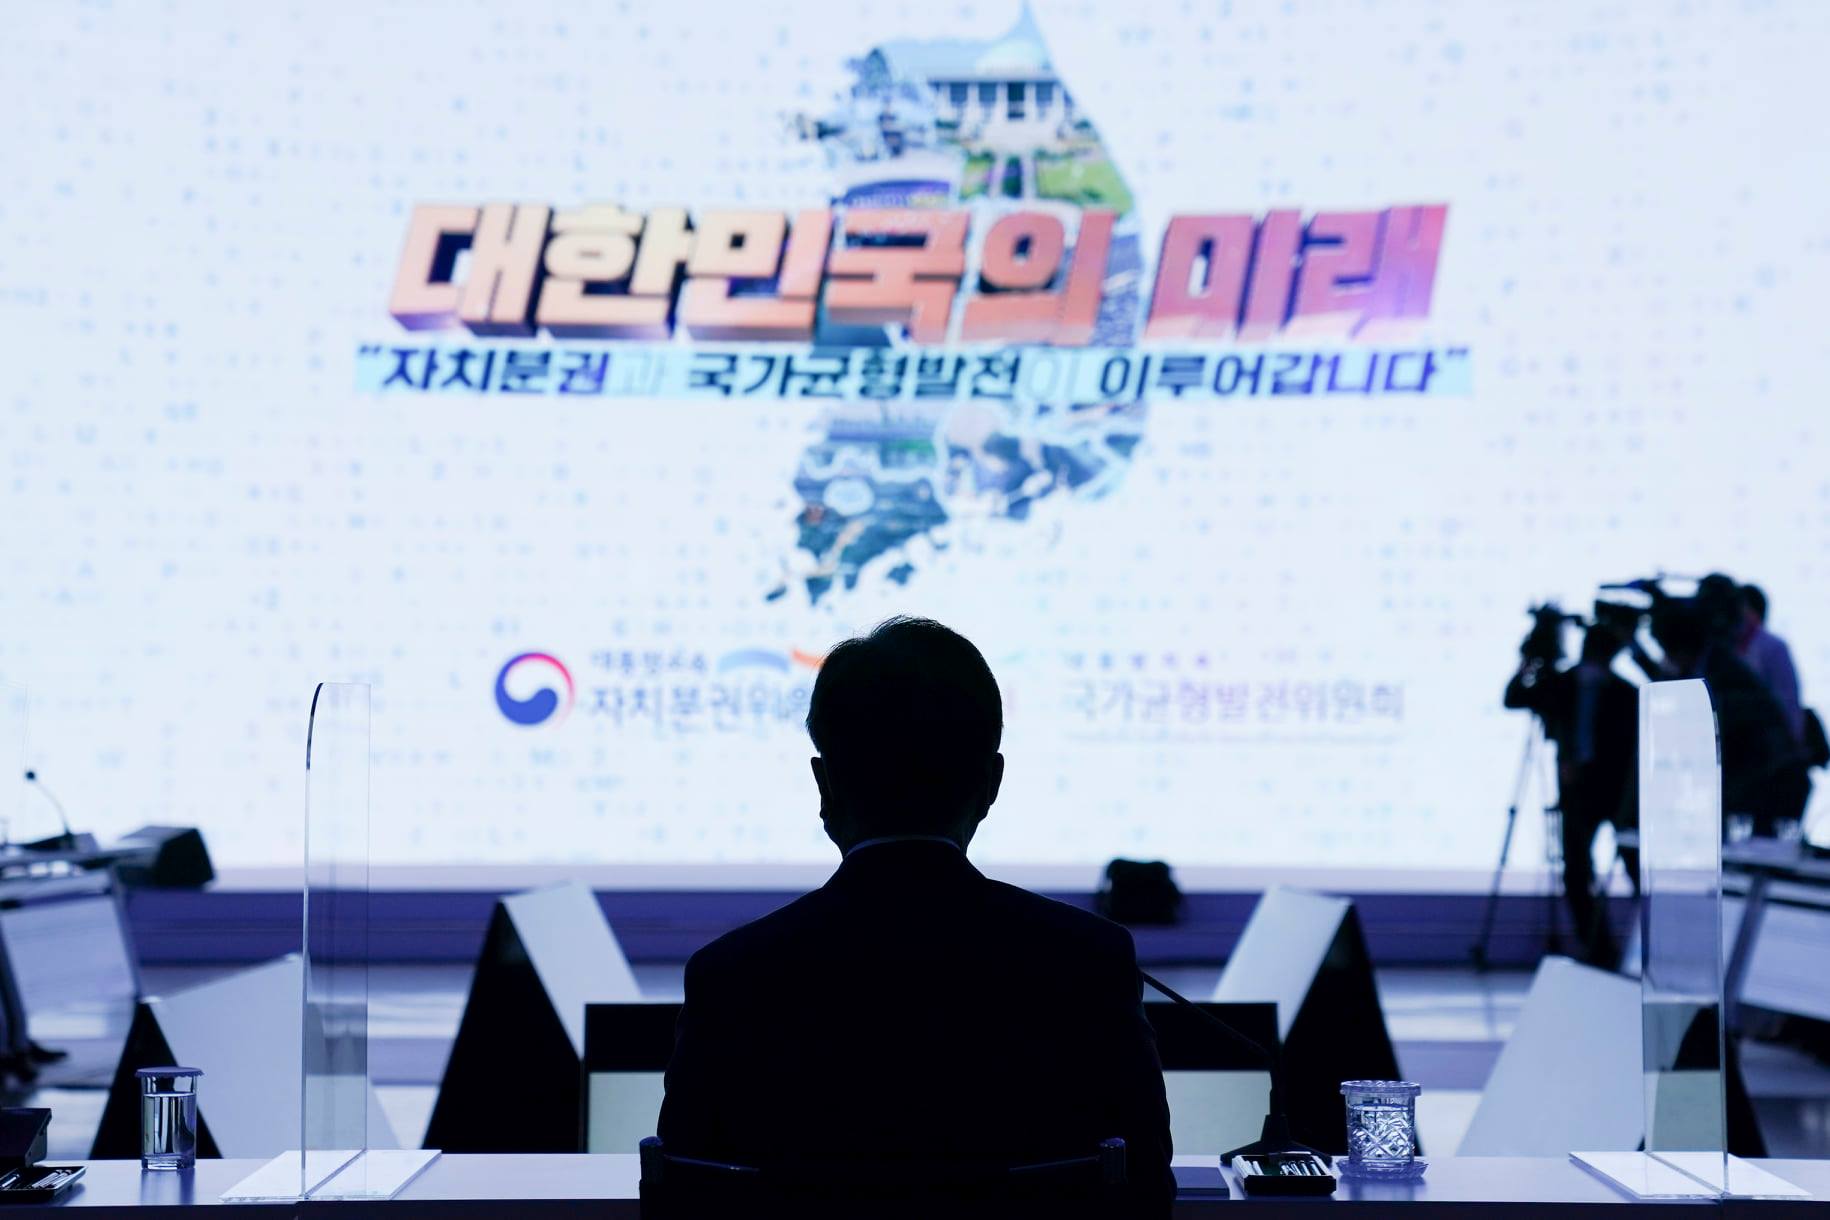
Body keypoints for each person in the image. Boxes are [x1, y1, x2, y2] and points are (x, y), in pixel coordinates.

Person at [657, 617, 1175, 1214]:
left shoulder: (730, 978)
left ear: (824, 787)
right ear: (991, 783)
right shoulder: (1088, 963)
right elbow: (1145, 1193)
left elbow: (684, 1200)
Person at [1504, 623, 1639, 966]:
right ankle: (1599, 952)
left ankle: (1649, 944)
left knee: (1636, 868)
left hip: (1618, 794)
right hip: (1577, 793)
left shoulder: (1625, 694)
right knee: (1576, 873)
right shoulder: (1561, 683)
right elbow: (1514, 697)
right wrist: (1529, 662)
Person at [1645, 597, 1808, 837]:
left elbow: (1751, 732)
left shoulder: (1726, 675)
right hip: (1745, 780)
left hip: (1765, 780)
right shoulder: (1712, 667)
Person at [1738, 584, 1805, 744]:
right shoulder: (1727, 647)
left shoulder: (1772, 647)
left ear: (1754, 614)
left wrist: (1790, 745)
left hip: (1769, 745)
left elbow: (1788, 704)